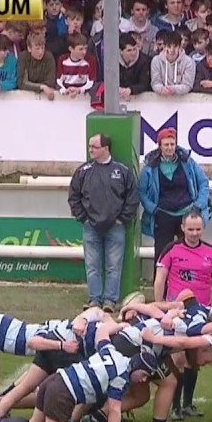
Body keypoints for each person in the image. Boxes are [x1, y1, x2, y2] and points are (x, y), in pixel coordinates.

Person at [0, 345, 160, 422]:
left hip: (54, 379)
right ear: (136, 367)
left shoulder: (112, 352)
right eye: (144, 374)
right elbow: (113, 409)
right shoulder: (121, 376)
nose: (144, 380)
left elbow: (103, 336)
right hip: (62, 392)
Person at [154, 210, 212, 419]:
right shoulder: (172, 249)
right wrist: (162, 308)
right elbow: (160, 279)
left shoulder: (211, 252)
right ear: (183, 228)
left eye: (198, 229)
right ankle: (174, 405)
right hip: (177, 315)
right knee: (177, 359)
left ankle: (188, 403)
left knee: (196, 359)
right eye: (190, 229)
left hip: (200, 313)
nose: (194, 233)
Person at [68, 133, 138, 313]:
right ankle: (94, 301)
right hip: (90, 227)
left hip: (115, 227)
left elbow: (132, 198)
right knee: (92, 266)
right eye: (90, 146)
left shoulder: (122, 171)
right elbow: (74, 197)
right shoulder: (83, 171)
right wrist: (83, 218)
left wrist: (122, 219)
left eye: (94, 147)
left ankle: (110, 301)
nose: (90, 150)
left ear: (106, 148)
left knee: (114, 266)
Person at [138, 127, 211, 265]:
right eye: (166, 144)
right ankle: (161, 286)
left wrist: (198, 206)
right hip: (163, 215)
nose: (170, 148)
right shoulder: (150, 166)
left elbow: (203, 182)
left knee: (190, 254)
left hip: (187, 213)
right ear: (159, 146)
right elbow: (141, 191)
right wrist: (153, 209)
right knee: (161, 256)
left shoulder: (187, 162)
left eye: (172, 144)